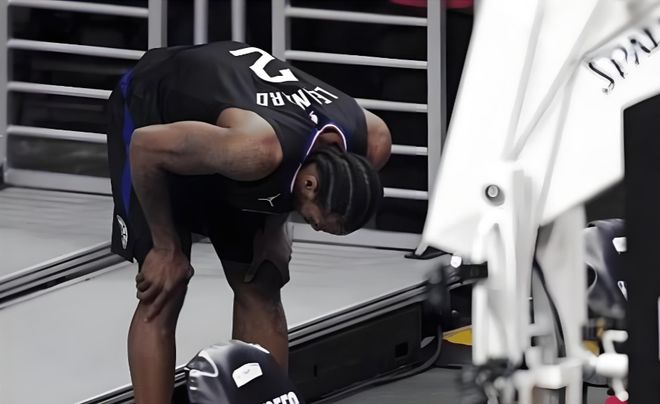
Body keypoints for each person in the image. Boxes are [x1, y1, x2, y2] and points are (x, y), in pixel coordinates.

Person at [106, 40, 391, 404]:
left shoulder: (374, 142)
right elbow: (145, 147)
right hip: (156, 120)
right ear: (309, 186)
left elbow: (296, 169)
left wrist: (274, 230)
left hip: (228, 140)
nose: (315, 228)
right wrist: (165, 247)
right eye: (319, 224)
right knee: (165, 285)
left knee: (261, 280)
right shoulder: (254, 151)